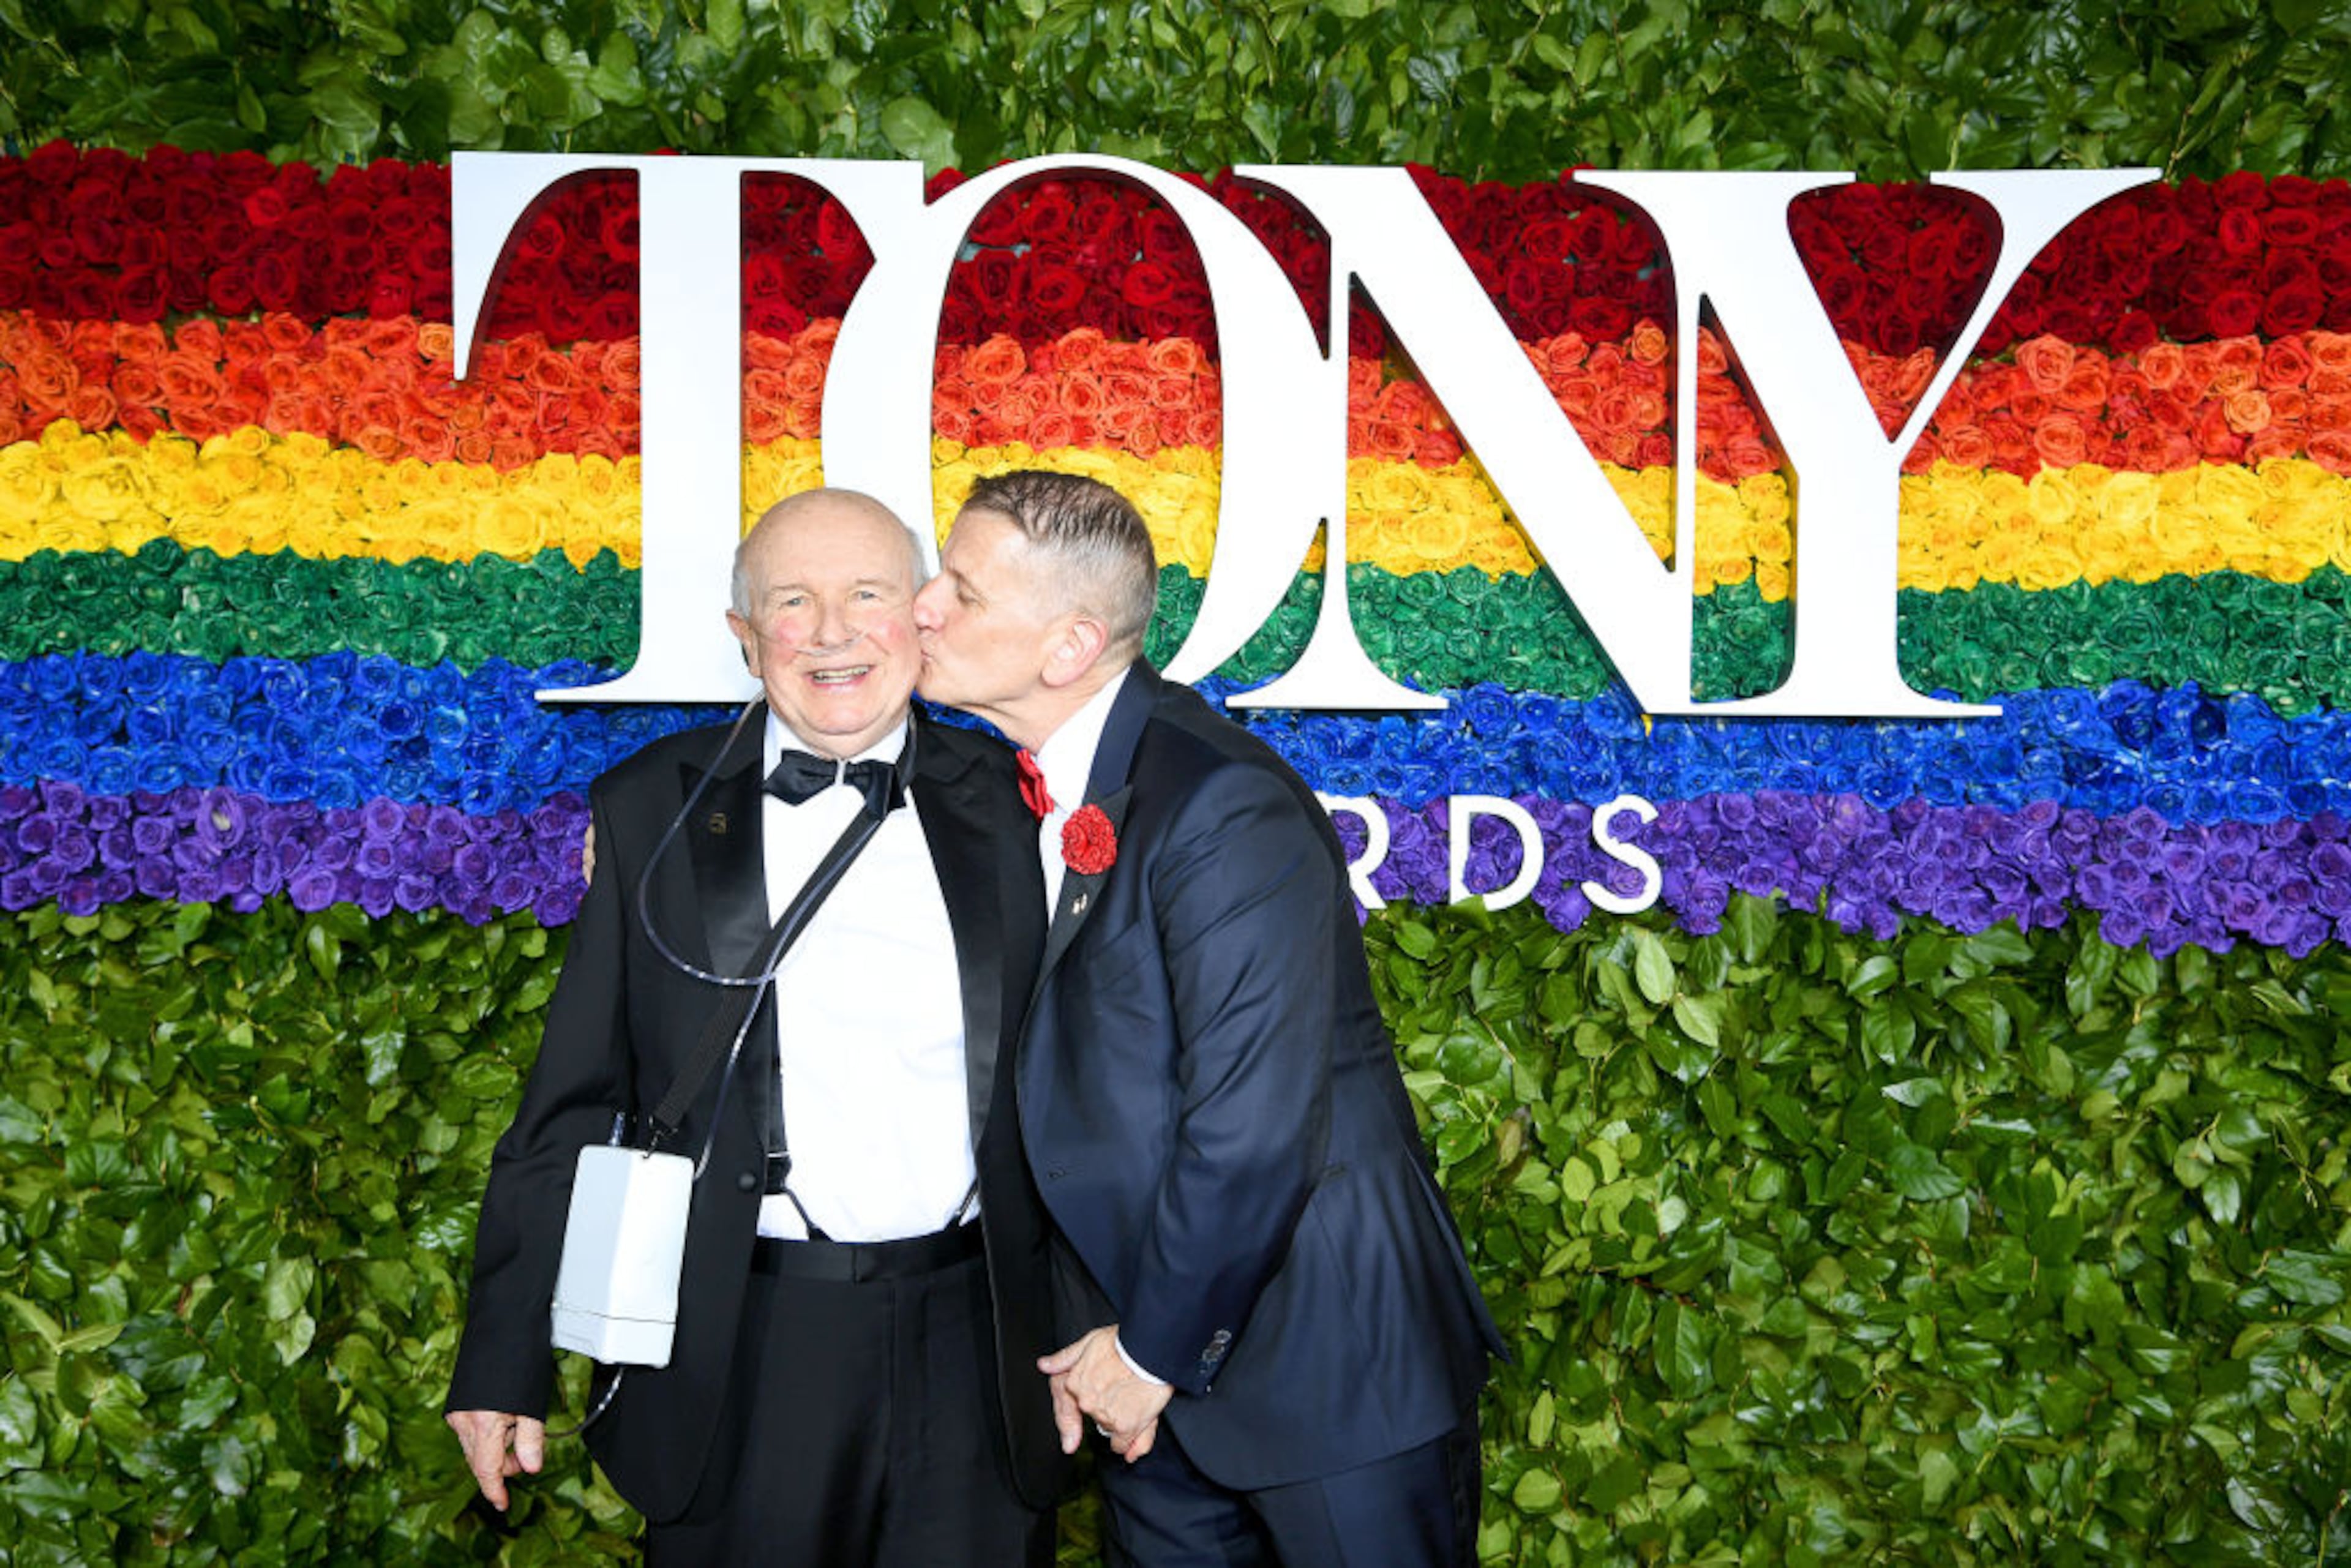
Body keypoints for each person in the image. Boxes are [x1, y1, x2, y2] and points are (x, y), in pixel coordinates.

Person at [445, 489, 1068, 1565]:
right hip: (742, 1345)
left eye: (866, 595)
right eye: (794, 600)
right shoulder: (650, 809)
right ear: (745, 637)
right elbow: (574, 1100)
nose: (832, 632)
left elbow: (1090, 1085)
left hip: (982, 1340)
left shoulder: (1022, 802)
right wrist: (503, 1360)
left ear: (921, 616)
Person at [912, 470, 1502, 1567]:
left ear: (1069, 646)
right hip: (1145, 1379)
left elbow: (1254, 1128)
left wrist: (1148, 1354)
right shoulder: (1031, 779)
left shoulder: (1219, 800)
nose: (923, 608)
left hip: (1327, 1375)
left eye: (961, 591)